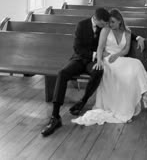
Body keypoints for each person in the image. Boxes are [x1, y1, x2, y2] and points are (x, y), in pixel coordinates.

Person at [72, 9, 147, 126]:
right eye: (109, 22)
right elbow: (100, 48)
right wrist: (99, 60)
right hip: (107, 60)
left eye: (113, 22)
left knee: (136, 64)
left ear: (120, 21)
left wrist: (117, 54)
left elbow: (125, 50)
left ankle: (143, 96)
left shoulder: (128, 32)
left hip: (119, 58)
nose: (110, 25)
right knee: (132, 68)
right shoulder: (105, 30)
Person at [41, 7, 110, 137]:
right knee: (62, 73)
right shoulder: (82, 25)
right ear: (96, 19)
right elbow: (77, 48)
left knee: (98, 71)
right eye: (102, 23)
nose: (105, 25)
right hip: (79, 59)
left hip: (92, 63)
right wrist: (94, 54)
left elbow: (119, 26)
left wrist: (137, 37)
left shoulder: (104, 26)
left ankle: (82, 101)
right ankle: (55, 116)